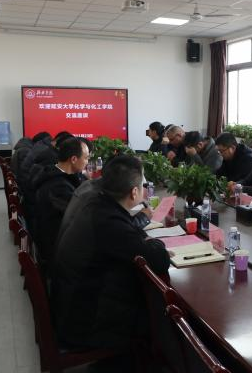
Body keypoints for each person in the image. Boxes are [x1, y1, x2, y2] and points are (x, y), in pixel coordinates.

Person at [52, 155, 170, 352]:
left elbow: (125, 233)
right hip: (85, 323)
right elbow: (159, 260)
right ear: (134, 192)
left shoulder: (96, 202)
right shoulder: (107, 220)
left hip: (71, 303)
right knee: (160, 311)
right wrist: (154, 242)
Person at [33, 137, 90, 273]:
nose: (87, 162)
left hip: (58, 240)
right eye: (86, 158)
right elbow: (81, 216)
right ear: (74, 159)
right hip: (58, 251)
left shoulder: (56, 174)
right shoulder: (58, 187)